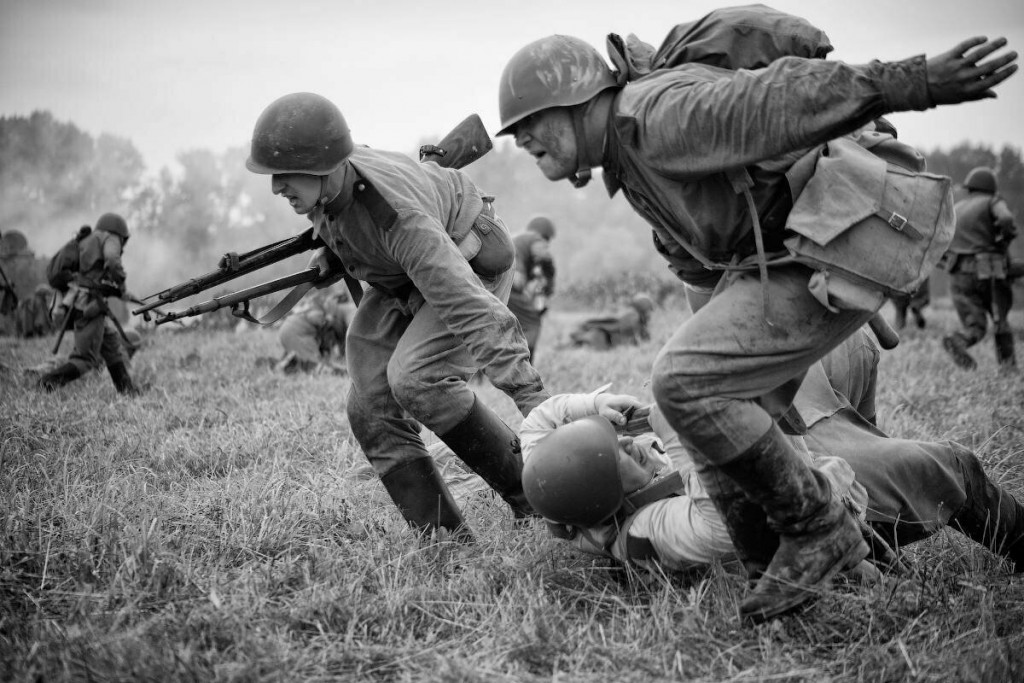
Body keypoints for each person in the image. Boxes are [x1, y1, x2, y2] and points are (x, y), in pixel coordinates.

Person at [497, 18, 1017, 621]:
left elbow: (780, 99)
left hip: (854, 230)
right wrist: (747, 398)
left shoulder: (655, 117)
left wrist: (916, 80)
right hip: (811, 261)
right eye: (517, 131)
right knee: (695, 387)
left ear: (579, 100)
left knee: (684, 383)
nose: (522, 140)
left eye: (531, 122)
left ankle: (820, 529)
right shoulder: (633, 170)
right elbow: (704, 282)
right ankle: (812, 549)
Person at [520, 331, 1024, 604]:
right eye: (620, 458)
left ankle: (864, 429)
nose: (628, 446)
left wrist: (589, 409)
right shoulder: (652, 530)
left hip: (777, 449)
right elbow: (724, 524)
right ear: (614, 500)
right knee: (951, 467)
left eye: (613, 441)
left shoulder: (567, 486)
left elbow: (536, 428)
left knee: (815, 340)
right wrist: (677, 426)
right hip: (821, 509)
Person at [245, 92, 549, 542]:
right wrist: (335, 252)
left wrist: (534, 401)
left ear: (324, 167)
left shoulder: (397, 217)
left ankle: (533, 498)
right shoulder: (331, 188)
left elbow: (468, 304)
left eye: (285, 175)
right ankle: (446, 542)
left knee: (416, 377)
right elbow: (346, 218)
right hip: (402, 277)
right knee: (368, 406)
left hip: (466, 256)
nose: (275, 187)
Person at [38, 213, 138, 395]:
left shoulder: (90, 239)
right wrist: (122, 287)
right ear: (120, 234)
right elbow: (113, 261)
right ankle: (46, 383)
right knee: (85, 359)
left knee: (112, 348)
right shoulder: (110, 237)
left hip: (84, 301)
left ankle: (128, 392)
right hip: (89, 304)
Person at [943, 167, 1018, 370]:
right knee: (999, 319)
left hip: (957, 273)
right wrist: (1006, 237)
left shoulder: (956, 208)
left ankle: (958, 340)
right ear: (990, 188)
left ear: (970, 187)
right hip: (988, 270)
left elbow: (942, 237)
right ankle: (1008, 368)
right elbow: (1006, 219)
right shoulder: (992, 201)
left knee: (974, 324)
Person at [507, 215, 557, 361]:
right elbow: (543, 256)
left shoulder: (519, 238)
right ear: (545, 234)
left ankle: (481, 373)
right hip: (512, 281)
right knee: (532, 322)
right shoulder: (535, 238)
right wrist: (550, 274)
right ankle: (527, 365)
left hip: (497, 283)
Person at [275, 288, 353, 374]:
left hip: (289, 329)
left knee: (304, 357)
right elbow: (314, 317)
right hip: (296, 329)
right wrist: (326, 319)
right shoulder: (326, 307)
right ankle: (339, 373)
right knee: (316, 364)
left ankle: (286, 365)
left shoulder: (320, 304)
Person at [567, 292, 654, 350]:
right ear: (643, 309)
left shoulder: (637, 319)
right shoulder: (633, 317)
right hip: (603, 338)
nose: (649, 315)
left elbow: (643, 338)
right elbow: (615, 325)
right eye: (648, 311)